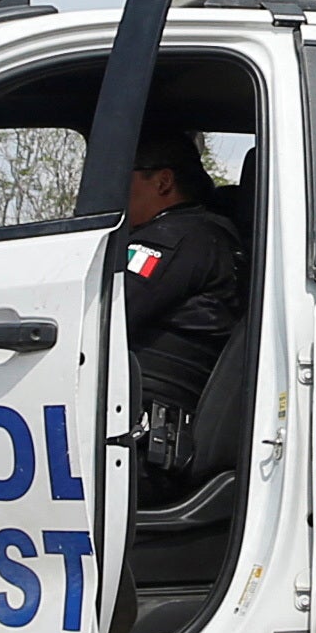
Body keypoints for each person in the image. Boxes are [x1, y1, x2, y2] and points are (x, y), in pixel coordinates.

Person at [118, 123, 248, 471]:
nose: (115, 191)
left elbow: (102, 317)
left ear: (162, 181)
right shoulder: (202, 235)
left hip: (144, 449)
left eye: (122, 178)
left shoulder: (176, 239)